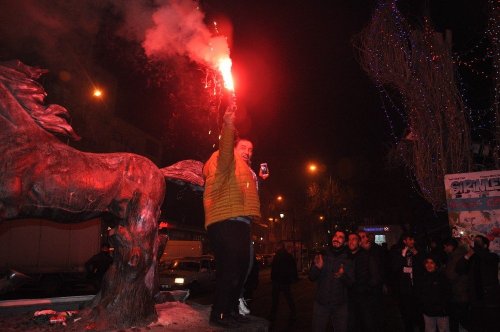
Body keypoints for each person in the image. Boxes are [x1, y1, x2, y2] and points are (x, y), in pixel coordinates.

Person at [203, 105, 268, 329]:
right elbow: (226, 148)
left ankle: (229, 311)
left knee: (239, 270)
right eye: (244, 147)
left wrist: (259, 179)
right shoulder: (223, 156)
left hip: (238, 222)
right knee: (230, 268)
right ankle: (219, 313)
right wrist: (229, 123)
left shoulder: (243, 170)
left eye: (251, 150)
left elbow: (243, 193)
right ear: (233, 147)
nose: (248, 152)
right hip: (227, 221)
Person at [309, 230, 354, 332]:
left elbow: (351, 283)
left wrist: (342, 276)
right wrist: (317, 268)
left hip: (340, 305)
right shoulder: (322, 255)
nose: (336, 238)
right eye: (335, 236)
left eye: (340, 237)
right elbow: (311, 277)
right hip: (321, 304)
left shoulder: (348, 259)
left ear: (345, 242)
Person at [456, 235, 499, 332]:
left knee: (492, 326)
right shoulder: (472, 259)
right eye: (474, 242)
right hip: (475, 300)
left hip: (489, 300)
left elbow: (484, 256)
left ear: (485, 246)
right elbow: (458, 269)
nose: (475, 243)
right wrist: (467, 255)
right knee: (477, 326)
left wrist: (472, 245)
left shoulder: (492, 257)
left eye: (478, 242)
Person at [347, 233, 382, 332]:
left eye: (354, 239)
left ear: (359, 242)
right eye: (349, 239)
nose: (351, 241)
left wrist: (365, 289)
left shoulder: (366, 256)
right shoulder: (346, 257)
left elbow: (375, 277)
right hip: (350, 299)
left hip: (365, 299)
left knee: (367, 324)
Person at [390, 232, 424, 332]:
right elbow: (394, 268)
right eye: (410, 239)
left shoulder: (417, 251)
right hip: (404, 287)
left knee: (418, 310)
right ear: (404, 241)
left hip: (417, 285)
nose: (412, 241)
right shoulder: (398, 252)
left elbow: (424, 265)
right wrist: (402, 255)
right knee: (406, 311)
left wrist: (416, 253)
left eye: (413, 239)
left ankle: (420, 327)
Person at [416, 255, 451, 332]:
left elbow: (447, 294)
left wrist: (444, 307)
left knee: (444, 330)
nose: (429, 265)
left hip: (442, 311)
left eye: (432, 263)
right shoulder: (422, 276)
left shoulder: (442, 277)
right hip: (428, 311)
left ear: (436, 264)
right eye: (427, 263)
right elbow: (420, 293)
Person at [442, 237, 469, 332]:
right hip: (460, 292)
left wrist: (444, 271)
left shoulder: (456, 257)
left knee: (460, 320)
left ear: (450, 246)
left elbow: (451, 275)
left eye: (445, 246)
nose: (444, 249)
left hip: (459, 293)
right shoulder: (457, 255)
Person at [269, 241, 298, 323]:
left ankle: (273, 315)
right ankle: (293, 313)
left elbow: (274, 269)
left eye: (276, 246)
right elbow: (293, 268)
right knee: (289, 298)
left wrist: (273, 278)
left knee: (275, 300)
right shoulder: (288, 256)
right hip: (285, 281)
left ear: (279, 246)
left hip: (277, 281)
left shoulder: (277, 256)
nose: (275, 247)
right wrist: (293, 278)